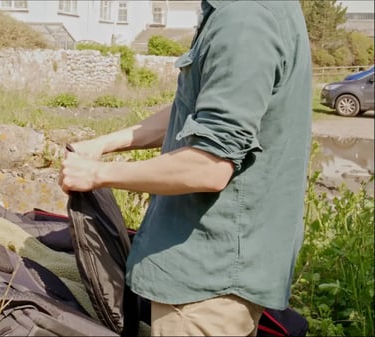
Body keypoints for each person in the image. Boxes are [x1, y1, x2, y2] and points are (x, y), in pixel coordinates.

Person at [58, 0, 312, 336]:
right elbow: (199, 110)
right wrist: (104, 144)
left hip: (206, 287)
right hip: (218, 276)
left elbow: (208, 166)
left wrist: (98, 174)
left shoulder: (244, 20)